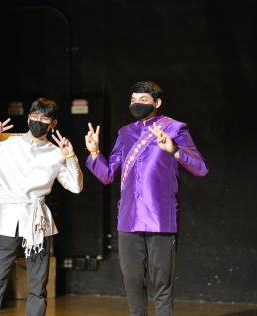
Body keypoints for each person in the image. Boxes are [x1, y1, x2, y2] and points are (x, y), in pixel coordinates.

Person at [84, 81, 208, 316]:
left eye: (143, 100)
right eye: (133, 100)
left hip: (160, 218)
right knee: (132, 286)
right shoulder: (125, 132)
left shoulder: (175, 128)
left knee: (162, 287)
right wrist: (94, 153)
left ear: (157, 102)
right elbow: (108, 174)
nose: (136, 104)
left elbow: (200, 168)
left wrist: (173, 150)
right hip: (129, 220)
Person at [0, 98, 83, 316]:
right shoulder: (6, 142)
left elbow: (75, 187)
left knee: (38, 288)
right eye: (34, 116)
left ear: (53, 123)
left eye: (44, 118)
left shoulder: (56, 153)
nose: (38, 121)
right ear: (28, 117)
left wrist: (70, 156)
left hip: (37, 223)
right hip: (6, 219)